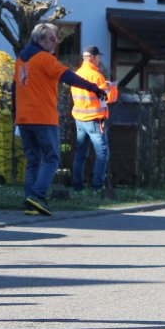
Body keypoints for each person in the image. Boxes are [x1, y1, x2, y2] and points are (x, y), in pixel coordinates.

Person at [14, 24, 107, 216]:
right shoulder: (45, 59)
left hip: (23, 118)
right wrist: (93, 88)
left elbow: (14, 88)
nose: (56, 42)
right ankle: (38, 196)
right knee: (51, 158)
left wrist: (15, 114)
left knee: (33, 160)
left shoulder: (21, 60)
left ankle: (31, 202)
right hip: (43, 118)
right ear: (40, 40)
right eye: (52, 38)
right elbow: (68, 76)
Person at [70, 45, 118, 192]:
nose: (99, 59)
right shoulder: (97, 76)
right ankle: (97, 186)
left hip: (80, 119)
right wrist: (112, 88)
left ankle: (77, 186)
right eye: (98, 57)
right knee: (102, 153)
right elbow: (108, 97)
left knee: (80, 154)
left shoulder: (76, 74)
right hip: (95, 120)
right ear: (93, 58)